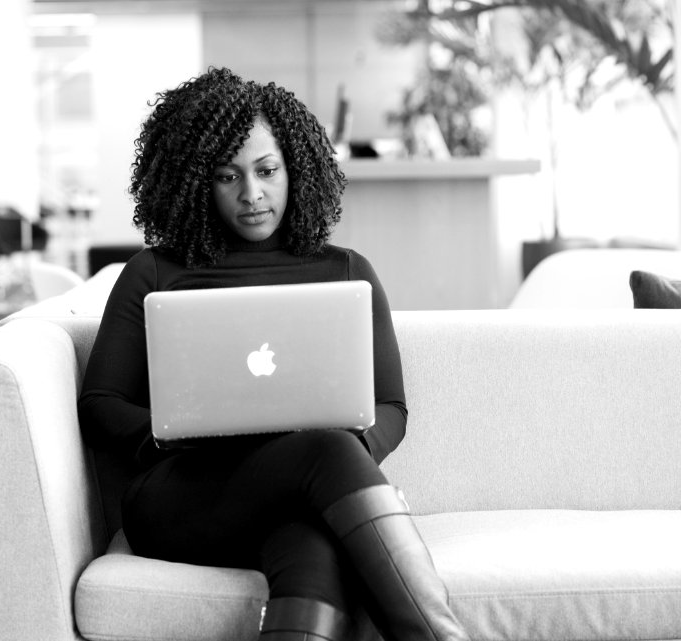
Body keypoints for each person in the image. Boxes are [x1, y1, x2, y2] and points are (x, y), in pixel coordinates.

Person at [77, 67, 470, 641]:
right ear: (195, 183)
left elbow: (390, 407)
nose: (252, 194)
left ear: (296, 169)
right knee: (327, 458)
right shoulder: (156, 273)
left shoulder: (346, 271)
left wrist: (340, 464)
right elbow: (100, 403)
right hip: (183, 497)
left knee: (311, 547)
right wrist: (177, 432)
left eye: (266, 171)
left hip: (303, 493)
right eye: (227, 177)